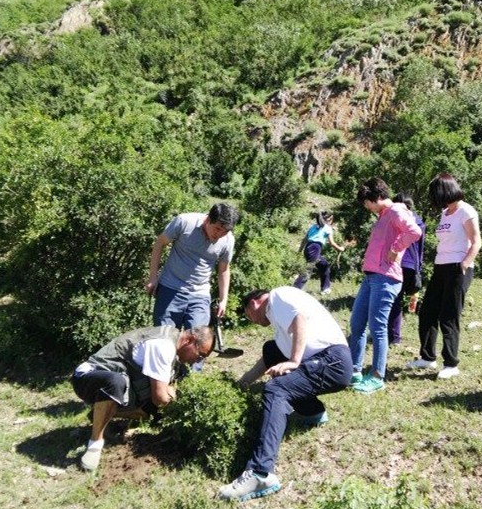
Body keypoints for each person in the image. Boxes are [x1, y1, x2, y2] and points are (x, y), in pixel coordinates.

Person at [218, 287, 352, 502]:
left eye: (247, 316)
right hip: (327, 360)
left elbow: (299, 319)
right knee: (271, 349)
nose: (251, 321)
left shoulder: (278, 296)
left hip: (332, 361)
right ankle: (313, 413)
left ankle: (261, 473)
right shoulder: (279, 319)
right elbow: (270, 357)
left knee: (276, 389)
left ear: (253, 304)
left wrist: (294, 361)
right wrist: (243, 382)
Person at [71, 325, 215, 471]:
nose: (198, 361)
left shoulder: (174, 342)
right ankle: (95, 445)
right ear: (189, 340)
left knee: (155, 411)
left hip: (122, 381)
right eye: (200, 355)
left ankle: (101, 413)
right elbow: (160, 398)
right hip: (88, 377)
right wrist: (182, 409)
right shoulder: (163, 346)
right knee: (116, 383)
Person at [349, 178, 423, 394]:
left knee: (378, 328)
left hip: (386, 277)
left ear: (375, 197)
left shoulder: (396, 210)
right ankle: (355, 370)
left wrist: (396, 248)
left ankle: (377, 376)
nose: (366, 207)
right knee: (357, 324)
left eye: (367, 202)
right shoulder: (383, 216)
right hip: (371, 276)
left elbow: (414, 232)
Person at [405, 173, 481, 379]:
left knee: (449, 315)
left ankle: (451, 363)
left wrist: (464, 264)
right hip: (441, 266)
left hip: (458, 268)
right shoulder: (445, 212)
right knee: (428, 312)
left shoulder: (466, 210)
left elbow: (476, 241)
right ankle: (428, 358)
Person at [145, 203, 237, 367]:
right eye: (217, 229)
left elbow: (223, 270)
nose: (219, 235)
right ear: (208, 220)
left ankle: (190, 384)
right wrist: (153, 277)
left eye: (225, 232)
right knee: (164, 340)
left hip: (200, 295)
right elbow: (159, 243)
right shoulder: (184, 222)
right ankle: (160, 381)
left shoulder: (227, 240)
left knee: (200, 343)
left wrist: (224, 300)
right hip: (170, 288)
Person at [387, 193, 426, 345]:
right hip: (412, 265)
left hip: (398, 262)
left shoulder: (397, 220)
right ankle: (395, 334)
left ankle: (393, 337)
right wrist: (419, 267)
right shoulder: (419, 222)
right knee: (404, 296)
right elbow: (421, 248)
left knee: (394, 301)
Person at [293, 210, 345, 295]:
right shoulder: (328, 228)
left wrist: (299, 251)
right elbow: (332, 243)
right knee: (307, 270)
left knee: (324, 265)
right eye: (332, 220)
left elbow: (304, 240)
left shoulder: (313, 227)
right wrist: (340, 249)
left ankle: (325, 288)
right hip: (315, 249)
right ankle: (295, 290)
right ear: (329, 219)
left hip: (308, 249)